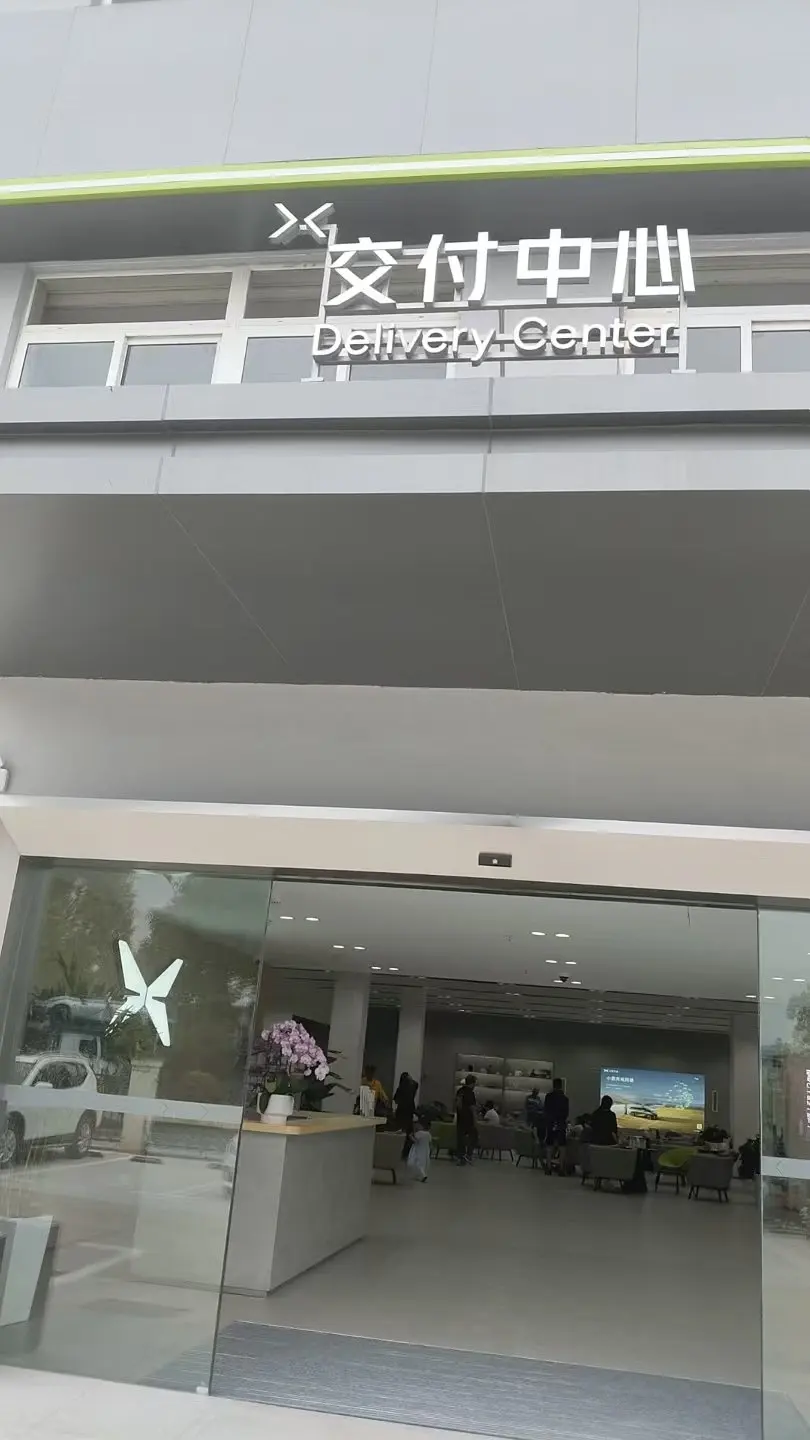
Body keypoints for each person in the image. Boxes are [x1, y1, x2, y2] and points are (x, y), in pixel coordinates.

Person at [455, 1073, 478, 1165]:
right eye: (475, 1083)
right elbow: (473, 1108)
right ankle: (469, 1155)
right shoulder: (470, 1093)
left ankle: (460, 1157)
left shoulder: (460, 1091)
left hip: (460, 1118)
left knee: (460, 1138)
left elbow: (457, 1104)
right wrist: (475, 1121)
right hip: (469, 1119)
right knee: (474, 1137)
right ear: (472, 1083)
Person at [406, 1115, 431, 1182]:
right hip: (425, 1149)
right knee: (422, 1163)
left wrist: (411, 1136)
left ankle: (422, 1175)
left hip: (417, 1149)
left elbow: (415, 1141)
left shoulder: (419, 1133)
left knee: (415, 1162)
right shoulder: (428, 1134)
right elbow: (429, 1142)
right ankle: (422, 1174)